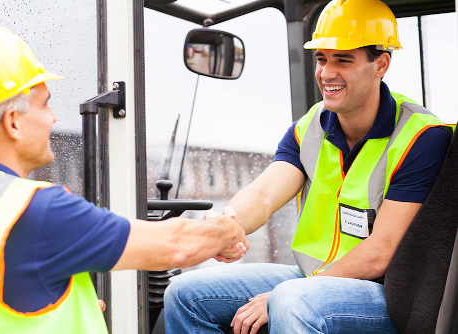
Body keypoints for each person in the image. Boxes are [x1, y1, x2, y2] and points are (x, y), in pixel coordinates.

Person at [164, 0, 454, 333]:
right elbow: (262, 196)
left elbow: (381, 252)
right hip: (312, 277)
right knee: (185, 294)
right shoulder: (309, 128)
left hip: (389, 293)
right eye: (321, 59)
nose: (327, 73)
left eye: (343, 60)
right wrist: (224, 227)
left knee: (292, 301)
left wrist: (283, 294)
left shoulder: (421, 137)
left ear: (381, 64)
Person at [0, 25, 249, 333]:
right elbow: (174, 245)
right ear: (13, 122)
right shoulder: (37, 208)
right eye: (45, 104)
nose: (54, 117)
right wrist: (227, 229)